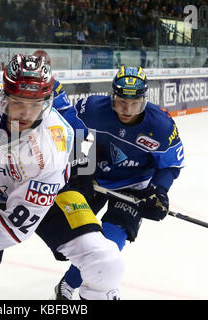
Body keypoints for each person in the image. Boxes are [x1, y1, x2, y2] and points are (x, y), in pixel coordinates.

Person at [0, 54, 124, 300]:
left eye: (36, 104)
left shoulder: (54, 144)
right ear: (3, 97)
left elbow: (17, 224)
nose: (26, 113)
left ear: (47, 102)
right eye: (18, 102)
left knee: (105, 260)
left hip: (51, 197)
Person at [51, 66, 185, 299]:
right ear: (112, 96)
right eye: (122, 102)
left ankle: (70, 282)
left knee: (111, 242)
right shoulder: (91, 108)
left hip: (134, 187)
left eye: (134, 103)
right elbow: (75, 135)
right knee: (79, 235)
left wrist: (159, 192)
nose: (127, 110)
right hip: (93, 179)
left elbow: (171, 165)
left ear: (144, 99)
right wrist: (82, 168)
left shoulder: (161, 126)